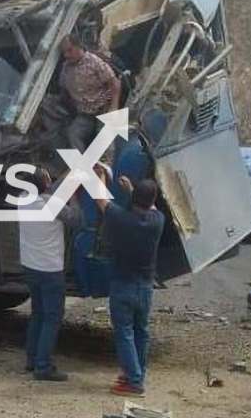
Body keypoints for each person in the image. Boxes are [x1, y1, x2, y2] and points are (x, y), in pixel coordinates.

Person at [94, 167, 165, 398]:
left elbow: (101, 199)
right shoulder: (158, 220)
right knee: (140, 332)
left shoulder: (120, 218)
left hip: (123, 285)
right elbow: (149, 205)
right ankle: (136, 374)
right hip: (145, 287)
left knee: (124, 333)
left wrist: (102, 173)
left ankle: (134, 383)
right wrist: (133, 190)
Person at [19, 168, 80, 381]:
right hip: (50, 270)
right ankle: (43, 367)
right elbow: (76, 219)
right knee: (52, 318)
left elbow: (47, 191)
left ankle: (32, 359)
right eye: (48, 178)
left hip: (30, 266)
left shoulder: (23, 199)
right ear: (45, 184)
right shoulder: (53, 205)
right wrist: (73, 196)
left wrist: (67, 176)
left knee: (37, 313)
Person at [59, 34, 121, 153]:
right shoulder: (66, 68)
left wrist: (114, 108)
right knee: (73, 134)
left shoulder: (94, 62)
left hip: (103, 109)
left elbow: (114, 83)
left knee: (105, 141)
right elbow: (62, 88)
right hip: (85, 114)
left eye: (69, 50)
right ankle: (82, 167)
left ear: (78, 46)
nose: (66, 55)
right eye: (64, 53)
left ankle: (106, 169)